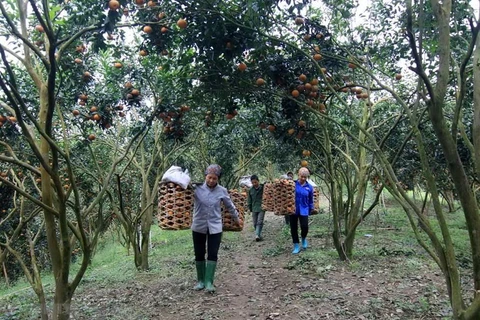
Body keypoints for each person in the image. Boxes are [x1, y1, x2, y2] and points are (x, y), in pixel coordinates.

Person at [191, 164, 240, 293]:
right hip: (198, 226)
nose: (211, 180)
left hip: (215, 227)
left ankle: (209, 282)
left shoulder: (222, 191)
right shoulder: (196, 188)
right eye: (209, 177)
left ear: (218, 179)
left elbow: (230, 206)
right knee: (199, 253)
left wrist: (237, 219)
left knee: (213, 253)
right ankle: (200, 281)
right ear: (205, 176)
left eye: (214, 178)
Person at [290, 167, 315, 254]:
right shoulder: (292, 184)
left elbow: (311, 199)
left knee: (305, 227)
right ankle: (296, 245)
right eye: (302, 176)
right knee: (293, 228)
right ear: (298, 175)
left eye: (305, 177)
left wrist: (311, 208)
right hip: (293, 209)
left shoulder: (310, 187)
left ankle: (303, 238)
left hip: (304, 209)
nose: (303, 178)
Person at [247, 175, 265, 241]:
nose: (254, 184)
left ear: (258, 181)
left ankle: (257, 234)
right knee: (255, 223)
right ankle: (259, 235)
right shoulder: (250, 190)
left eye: (255, 182)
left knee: (260, 221)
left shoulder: (263, 187)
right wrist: (249, 208)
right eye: (253, 183)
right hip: (254, 208)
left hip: (261, 207)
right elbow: (249, 200)